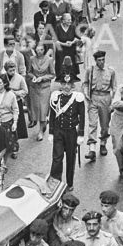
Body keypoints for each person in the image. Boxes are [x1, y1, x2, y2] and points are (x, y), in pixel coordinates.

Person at [48, 62, 86, 192]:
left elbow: (82, 117)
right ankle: (55, 182)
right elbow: (52, 115)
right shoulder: (55, 97)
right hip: (59, 131)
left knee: (71, 158)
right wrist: (51, 132)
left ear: (72, 85)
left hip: (71, 132)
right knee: (57, 158)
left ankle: (69, 182)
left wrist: (81, 134)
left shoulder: (78, 97)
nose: (65, 87)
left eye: (68, 84)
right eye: (63, 84)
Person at [82, 50, 117, 162]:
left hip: (106, 98)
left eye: (103, 60)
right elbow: (85, 83)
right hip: (94, 97)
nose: (101, 62)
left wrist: (112, 102)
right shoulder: (90, 70)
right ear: (95, 61)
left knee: (105, 125)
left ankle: (103, 143)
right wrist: (86, 94)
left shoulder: (111, 71)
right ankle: (92, 149)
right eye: (99, 60)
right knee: (92, 124)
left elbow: (114, 87)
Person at [27, 42, 55, 140]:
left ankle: (40, 131)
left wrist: (42, 78)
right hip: (34, 88)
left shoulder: (49, 60)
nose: (39, 52)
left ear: (45, 50)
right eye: (37, 50)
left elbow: (52, 74)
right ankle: (42, 125)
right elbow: (29, 72)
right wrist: (33, 77)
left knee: (43, 109)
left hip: (45, 88)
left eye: (41, 50)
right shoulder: (32, 59)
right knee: (37, 110)